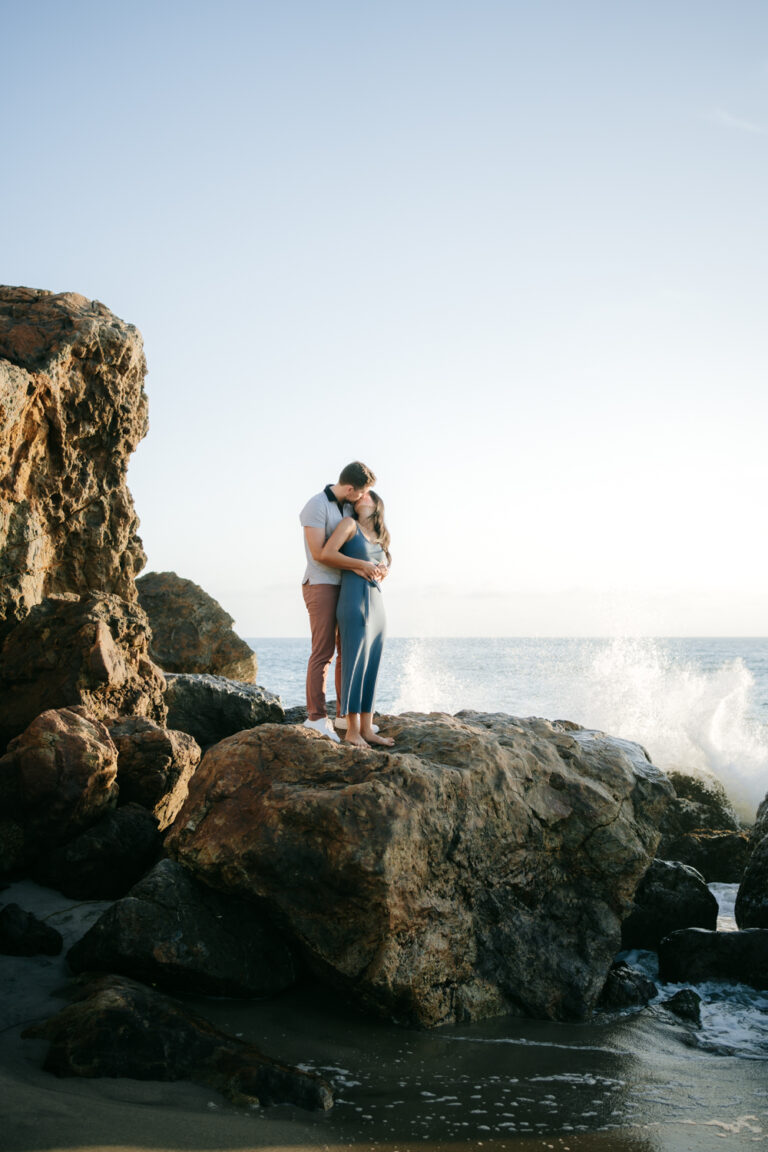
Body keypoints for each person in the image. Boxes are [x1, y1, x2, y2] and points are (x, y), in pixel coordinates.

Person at [299, 461, 382, 741]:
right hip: (321, 584)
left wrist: (374, 566)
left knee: (347, 652)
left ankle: (344, 717)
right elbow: (320, 554)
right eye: (362, 493)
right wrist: (360, 565)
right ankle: (316, 718)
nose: (363, 498)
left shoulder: (349, 508)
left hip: (346, 586)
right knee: (323, 651)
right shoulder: (316, 506)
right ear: (350, 488)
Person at [320, 490, 394, 749]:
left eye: (367, 495)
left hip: (378, 605)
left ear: (377, 505)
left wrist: (383, 571)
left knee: (371, 665)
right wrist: (360, 565)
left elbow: (383, 565)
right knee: (354, 665)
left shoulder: (381, 536)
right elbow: (327, 553)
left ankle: (366, 728)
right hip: (354, 601)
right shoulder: (349, 525)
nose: (360, 497)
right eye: (357, 496)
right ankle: (352, 731)